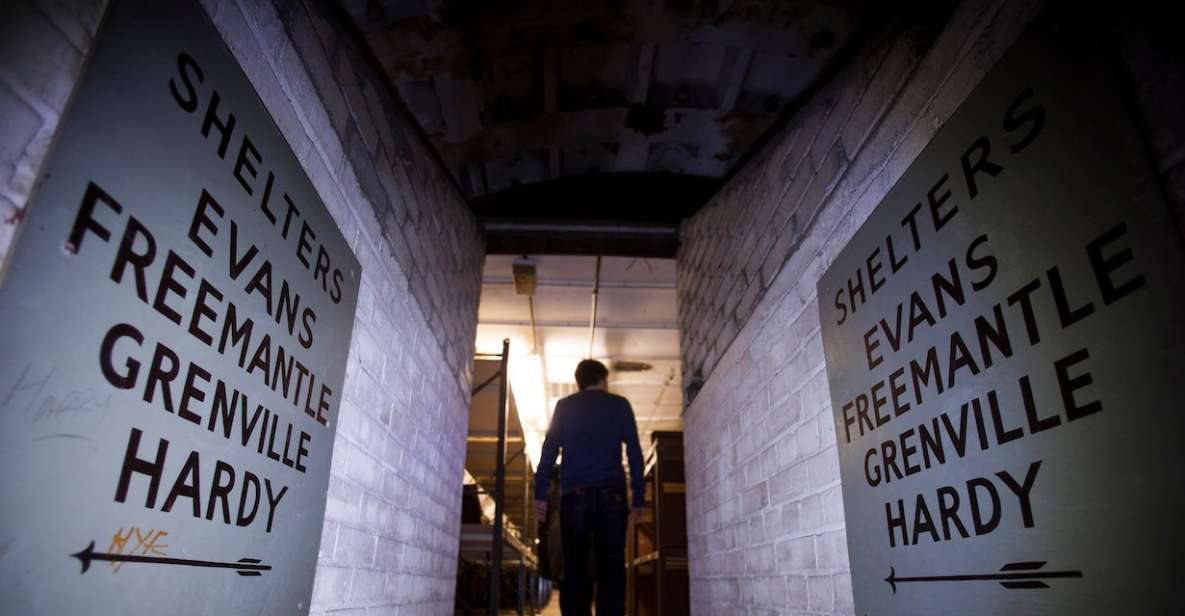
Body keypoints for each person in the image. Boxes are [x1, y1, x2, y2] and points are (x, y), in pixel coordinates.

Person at [534, 359, 645, 616]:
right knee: (612, 569)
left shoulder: (565, 407)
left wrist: (541, 495)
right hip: (612, 498)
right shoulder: (619, 405)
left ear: (580, 381)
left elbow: (549, 451)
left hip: (575, 499)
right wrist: (638, 497)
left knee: (575, 568)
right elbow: (635, 453)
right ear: (602, 379)